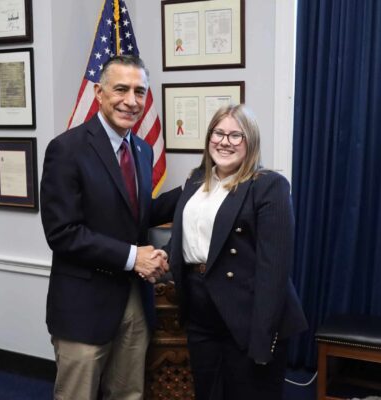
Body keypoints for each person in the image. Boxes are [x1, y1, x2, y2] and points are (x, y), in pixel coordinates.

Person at [40, 55, 181, 400]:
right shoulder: (66, 149)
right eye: (121, 89)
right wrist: (134, 257)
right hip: (84, 306)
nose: (131, 101)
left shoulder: (143, 150)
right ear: (98, 92)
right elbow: (63, 233)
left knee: (128, 393)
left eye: (139, 91)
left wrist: (198, 186)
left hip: (134, 300)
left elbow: (137, 215)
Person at [165, 104, 308, 399]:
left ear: (250, 142)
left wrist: (262, 339)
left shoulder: (268, 186)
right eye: (218, 133)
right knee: (208, 392)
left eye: (235, 135)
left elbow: (274, 270)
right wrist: (154, 257)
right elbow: (188, 242)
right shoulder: (195, 181)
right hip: (200, 310)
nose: (224, 142)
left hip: (248, 315)